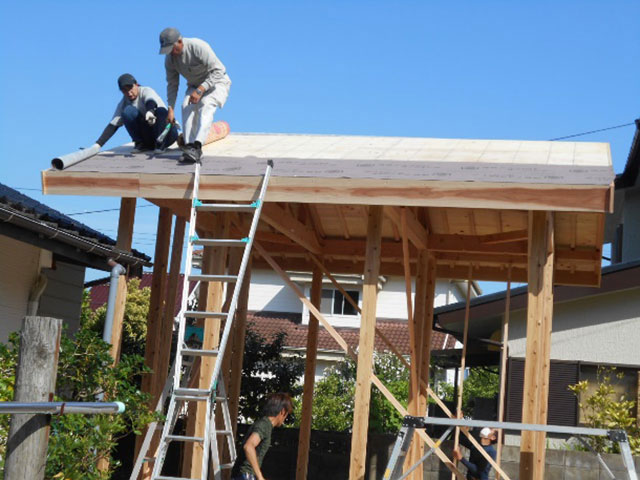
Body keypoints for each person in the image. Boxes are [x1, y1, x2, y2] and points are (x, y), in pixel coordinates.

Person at [159, 27, 231, 163]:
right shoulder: (170, 60)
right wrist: (170, 108)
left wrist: (201, 90)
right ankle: (189, 146)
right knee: (185, 105)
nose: (171, 54)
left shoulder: (198, 46)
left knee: (206, 105)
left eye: (172, 49)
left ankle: (197, 147)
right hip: (195, 86)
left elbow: (219, 70)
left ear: (180, 41)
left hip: (217, 82)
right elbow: (172, 84)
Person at [96, 73, 178, 152]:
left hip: (168, 134)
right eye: (124, 91)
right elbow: (113, 125)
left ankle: (161, 145)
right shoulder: (124, 103)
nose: (129, 93)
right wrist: (98, 144)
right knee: (128, 111)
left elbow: (150, 101)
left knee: (161, 111)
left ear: (136, 84)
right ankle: (141, 144)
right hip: (150, 138)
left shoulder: (146, 91)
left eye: (130, 88)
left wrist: (150, 112)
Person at [231, 393, 293, 480]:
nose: (284, 419)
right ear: (282, 411)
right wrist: (260, 477)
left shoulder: (265, 424)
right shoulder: (264, 425)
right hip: (246, 476)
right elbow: (248, 446)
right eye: (286, 415)